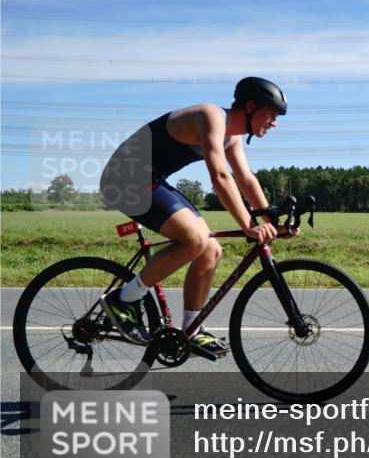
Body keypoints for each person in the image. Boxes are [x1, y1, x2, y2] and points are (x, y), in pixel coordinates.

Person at [98, 77, 288, 358]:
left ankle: (190, 331)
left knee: (210, 249)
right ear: (250, 106)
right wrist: (249, 226)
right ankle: (123, 300)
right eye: (272, 114)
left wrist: (272, 222)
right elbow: (220, 176)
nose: (274, 123)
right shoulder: (211, 116)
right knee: (195, 239)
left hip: (150, 179)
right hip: (124, 178)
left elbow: (246, 179)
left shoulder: (232, 136)